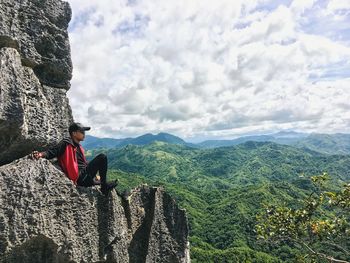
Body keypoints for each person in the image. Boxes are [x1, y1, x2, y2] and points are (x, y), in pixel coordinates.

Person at [32, 122, 117, 196]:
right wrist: (40, 154)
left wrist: (94, 176)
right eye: (82, 131)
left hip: (85, 176)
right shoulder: (66, 143)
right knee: (102, 157)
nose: (84, 134)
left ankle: (104, 185)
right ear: (74, 133)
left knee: (112, 183)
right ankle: (104, 187)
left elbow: (84, 164)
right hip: (80, 178)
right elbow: (52, 152)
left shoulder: (78, 146)